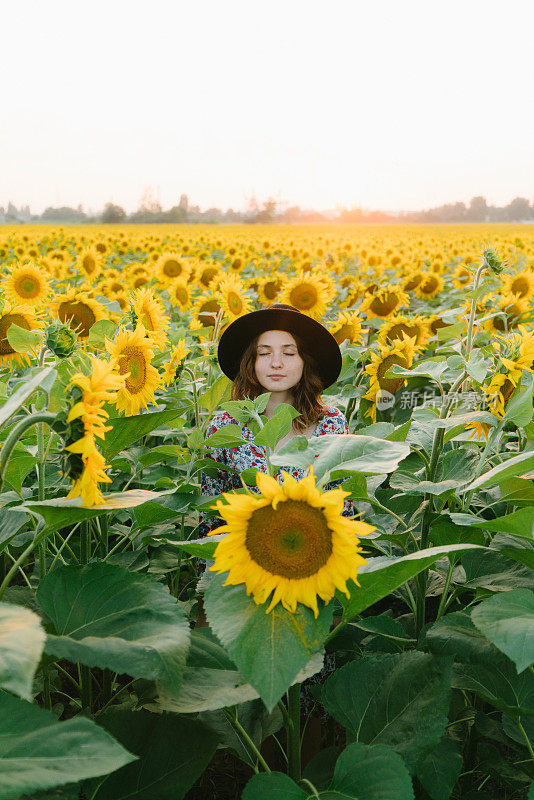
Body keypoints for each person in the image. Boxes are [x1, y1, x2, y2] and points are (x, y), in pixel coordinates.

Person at [199, 303, 355, 537]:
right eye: (263, 353)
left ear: (305, 361)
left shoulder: (331, 424)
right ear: (250, 361)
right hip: (246, 560)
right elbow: (211, 516)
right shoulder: (224, 426)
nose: (276, 363)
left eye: (289, 353)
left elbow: (344, 511)